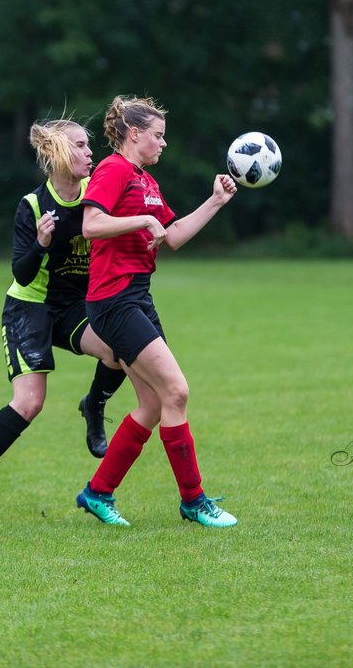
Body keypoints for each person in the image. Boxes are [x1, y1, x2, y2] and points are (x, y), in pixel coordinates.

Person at [0, 119, 128, 524]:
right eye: (80, 145)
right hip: (31, 309)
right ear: (59, 153)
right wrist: (41, 244)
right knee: (29, 403)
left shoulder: (97, 191)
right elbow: (21, 274)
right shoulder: (34, 206)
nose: (90, 153)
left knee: (119, 350)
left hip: (76, 305)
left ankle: (93, 405)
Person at [74, 95, 240, 528]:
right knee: (176, 391)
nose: (164, 144)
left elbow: (173, 236)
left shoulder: (145, 181)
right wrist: (140, 223)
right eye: (158, 136)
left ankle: (97, 492)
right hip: (114, 298)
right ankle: (194, 500)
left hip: (137, 296)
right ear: (134, 134)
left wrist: (215, 201)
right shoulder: (112, 169)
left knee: (151, 402)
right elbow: (90, 224)